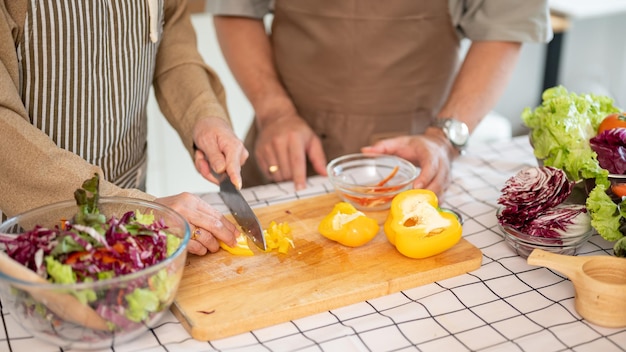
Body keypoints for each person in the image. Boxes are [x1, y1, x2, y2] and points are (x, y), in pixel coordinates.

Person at [207, 0, 553, 196]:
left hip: (416, 164)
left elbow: (505, 25)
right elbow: (236, 8)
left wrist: (443, 138)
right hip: (288, 158)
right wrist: (275, 112)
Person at [0, 0, 248, 256]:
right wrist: (125, 210)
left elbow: (170, 31)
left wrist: (203, 113)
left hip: (133, 225)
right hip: (23, 241)